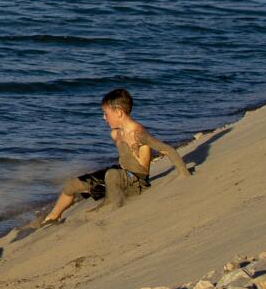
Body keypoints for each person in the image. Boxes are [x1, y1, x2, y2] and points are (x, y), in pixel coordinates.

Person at [40, 87, 192, 225]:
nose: (104, 118)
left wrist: (184, 175)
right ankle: (52, 218)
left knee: (112, 174)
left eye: (106, 114)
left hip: (137, 180)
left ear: (119, 112)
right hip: (119, 174)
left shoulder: (138, 134)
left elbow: (167, 150)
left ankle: (109, 207)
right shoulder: (115, 133)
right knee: (72, 185)